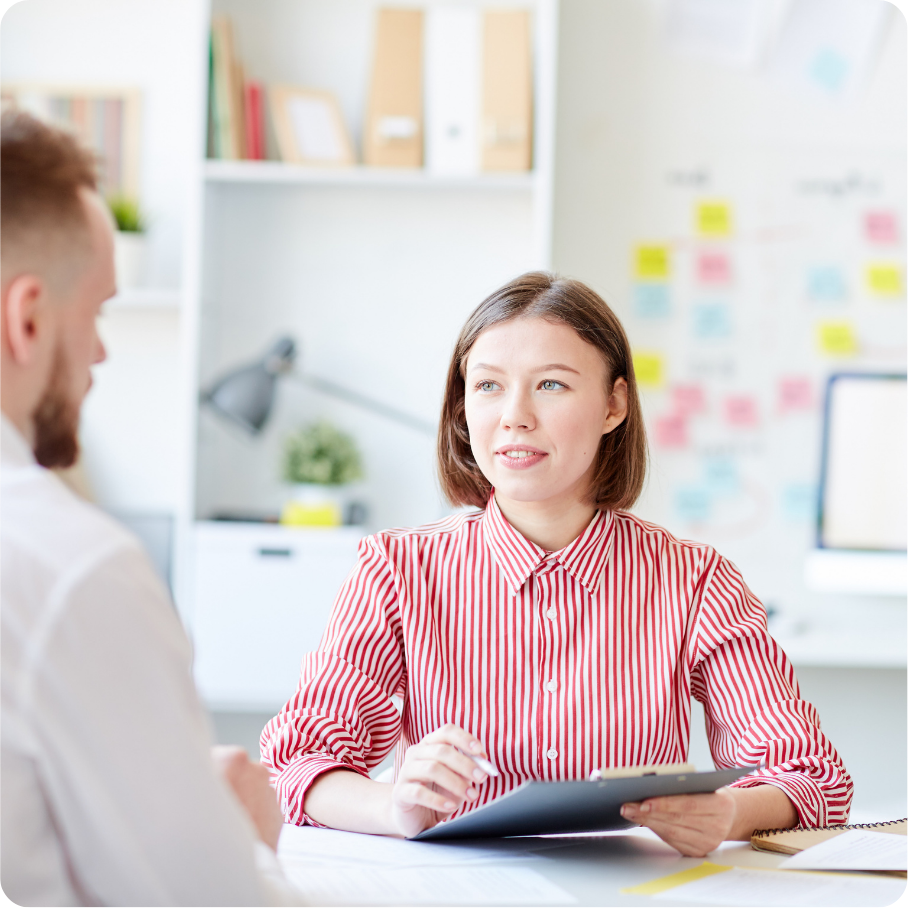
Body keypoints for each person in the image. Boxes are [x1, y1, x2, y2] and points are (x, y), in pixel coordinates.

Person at [261, 272, 853, 857]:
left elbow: (811, 776)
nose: (514, 416)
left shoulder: (694, 580)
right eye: (488, 386)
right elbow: (297, 761)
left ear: (614, 403)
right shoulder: (397, 569)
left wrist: (728, 814)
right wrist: (392, 807)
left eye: (550, 385)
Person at [0, 112, 301, 906]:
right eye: (96, 311)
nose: (100, 351)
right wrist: (243, 834)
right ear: (26, 316)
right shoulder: (70, 564)